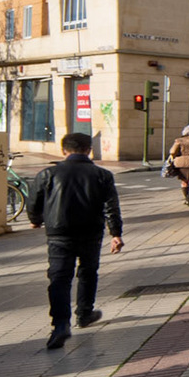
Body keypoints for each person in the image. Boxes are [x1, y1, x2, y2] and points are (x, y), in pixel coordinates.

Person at [27, 133, 123, 350]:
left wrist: (35, 220)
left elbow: (34, 202)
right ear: (89, 150)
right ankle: (84, 313)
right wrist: (116, 233)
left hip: (59, 233)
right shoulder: (103, 175)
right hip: (91, 231)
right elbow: (111, 207)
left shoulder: (48, 173)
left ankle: (60, 325)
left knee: (59, 278)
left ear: (63, 150)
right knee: (88, 272)